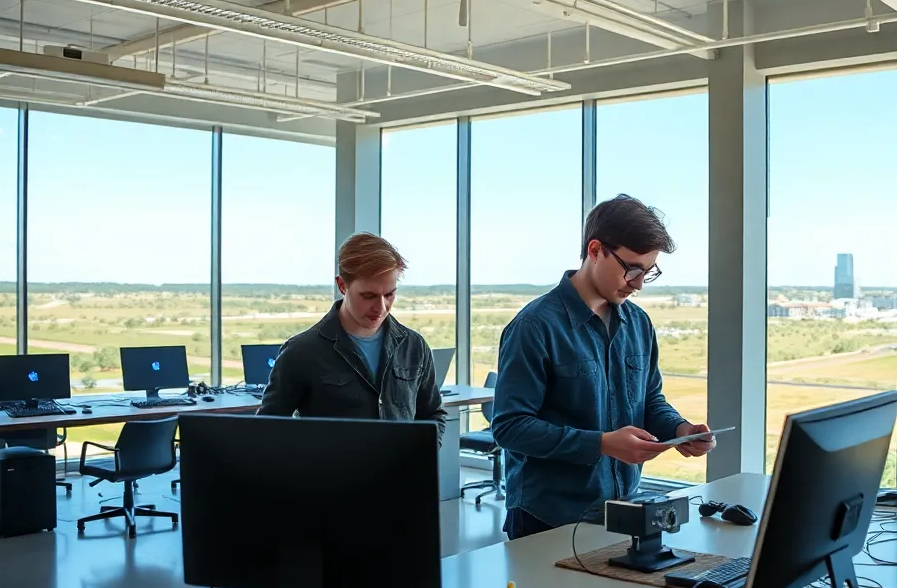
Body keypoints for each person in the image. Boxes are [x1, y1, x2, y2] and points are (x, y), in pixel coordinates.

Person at [490, 194, 714, 539]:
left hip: (624, 509)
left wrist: (680, 429)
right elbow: (510, 428)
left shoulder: (638, 323)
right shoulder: (534, 327)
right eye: (632, 269)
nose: (638, 283)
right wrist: (602, 444)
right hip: (548, 518)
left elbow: (649, 400)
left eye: (648, 272)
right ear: (595, 250)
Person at [257, 232, 446, 445]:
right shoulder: (300, 352)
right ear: (342, 286)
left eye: (389, 295)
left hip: (401, 477)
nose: (381, 308)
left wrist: (419, 457)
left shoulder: (414, 346)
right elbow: (268, 430)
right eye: (368, 296)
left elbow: (432, 415)